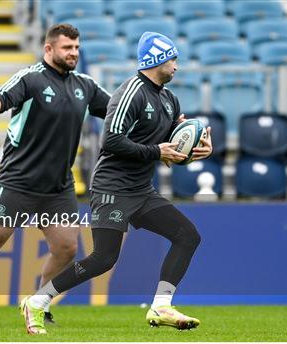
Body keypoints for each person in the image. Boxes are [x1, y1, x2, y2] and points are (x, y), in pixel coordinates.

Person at [20, 31, 213, 335]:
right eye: (173, 58)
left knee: (188, 235)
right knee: (104, 258)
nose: (177, 66)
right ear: (158, 59)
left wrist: (197, 150)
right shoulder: (132, 92)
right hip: (112, 188)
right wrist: (155, 152)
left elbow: (172, 144)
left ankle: (161, 305)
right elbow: (110, 140)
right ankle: (37, 302)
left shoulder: (168, 99)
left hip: (141, 190)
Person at [0, 23, 110, 326]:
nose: (74, 53)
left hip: (58, 186)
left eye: (77, 48)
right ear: (49, 49)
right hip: (18, 180)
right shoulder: (30, 79)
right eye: (67, 47)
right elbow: (3, 96)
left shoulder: (86, 86)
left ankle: (39, 302)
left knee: (67, 247)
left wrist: (165, 120)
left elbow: (119, 110)